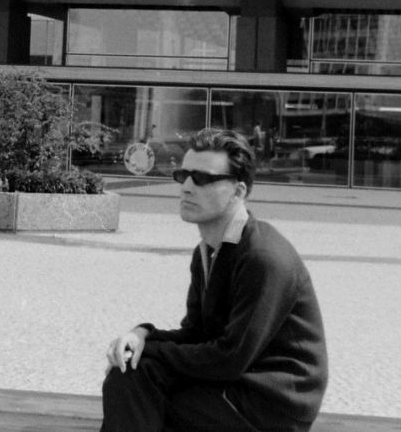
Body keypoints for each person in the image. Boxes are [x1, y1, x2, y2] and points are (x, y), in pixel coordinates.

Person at [101, 128, 328, 432]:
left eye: (204, 179)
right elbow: (197, 334)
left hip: (274, 403)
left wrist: (151, 350)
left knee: (145, 399)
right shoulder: (208, 252)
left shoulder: (263, 257)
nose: (188, 187)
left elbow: (229, 358)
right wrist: (142, 336)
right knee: (130, 374)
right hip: (237, 381)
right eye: (184, 175)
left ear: (238, 192)